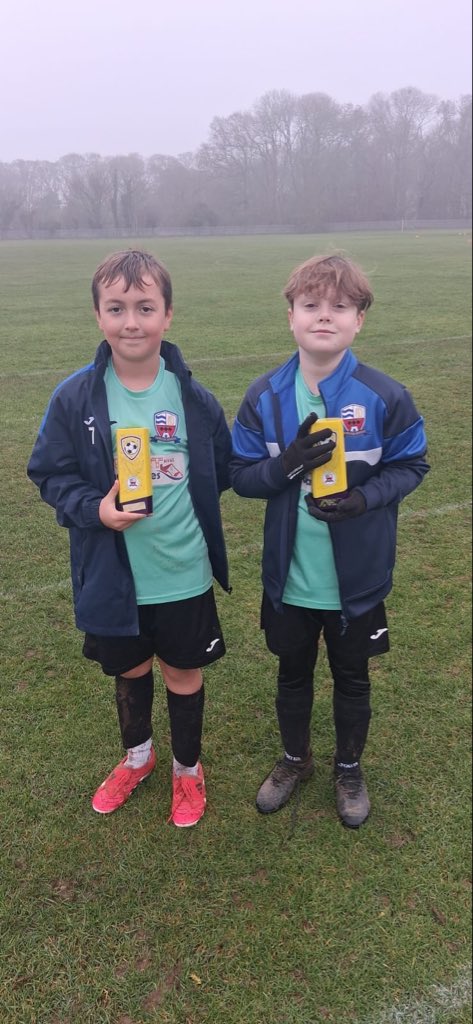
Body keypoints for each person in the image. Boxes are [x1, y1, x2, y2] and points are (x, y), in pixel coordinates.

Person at [28, 249, 231, 828]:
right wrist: (95, 510)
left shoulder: (192, 398)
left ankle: (187, 771)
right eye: (116, 308)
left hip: (182, 571)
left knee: (182, 672)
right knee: (130, 669)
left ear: (168, 315)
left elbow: (223, 465)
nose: (131, 321)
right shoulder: (75, 398)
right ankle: (138, 757)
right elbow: (49, 473)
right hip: (113, 577)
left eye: (145, 307)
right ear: (98, 316)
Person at [230, 254, 429, 828]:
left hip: (357, 581)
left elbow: (412, 464)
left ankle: (348, 768)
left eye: (339, 307)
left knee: (352, 676)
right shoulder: (265, 395)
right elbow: (241, 477)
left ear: (358, 320)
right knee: (291, 674)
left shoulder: (384, 395)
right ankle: (295, 760)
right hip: (289, 578)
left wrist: (364, 500)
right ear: (290, 315)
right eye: (311, 305)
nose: (324, 317)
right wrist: (288, 466)